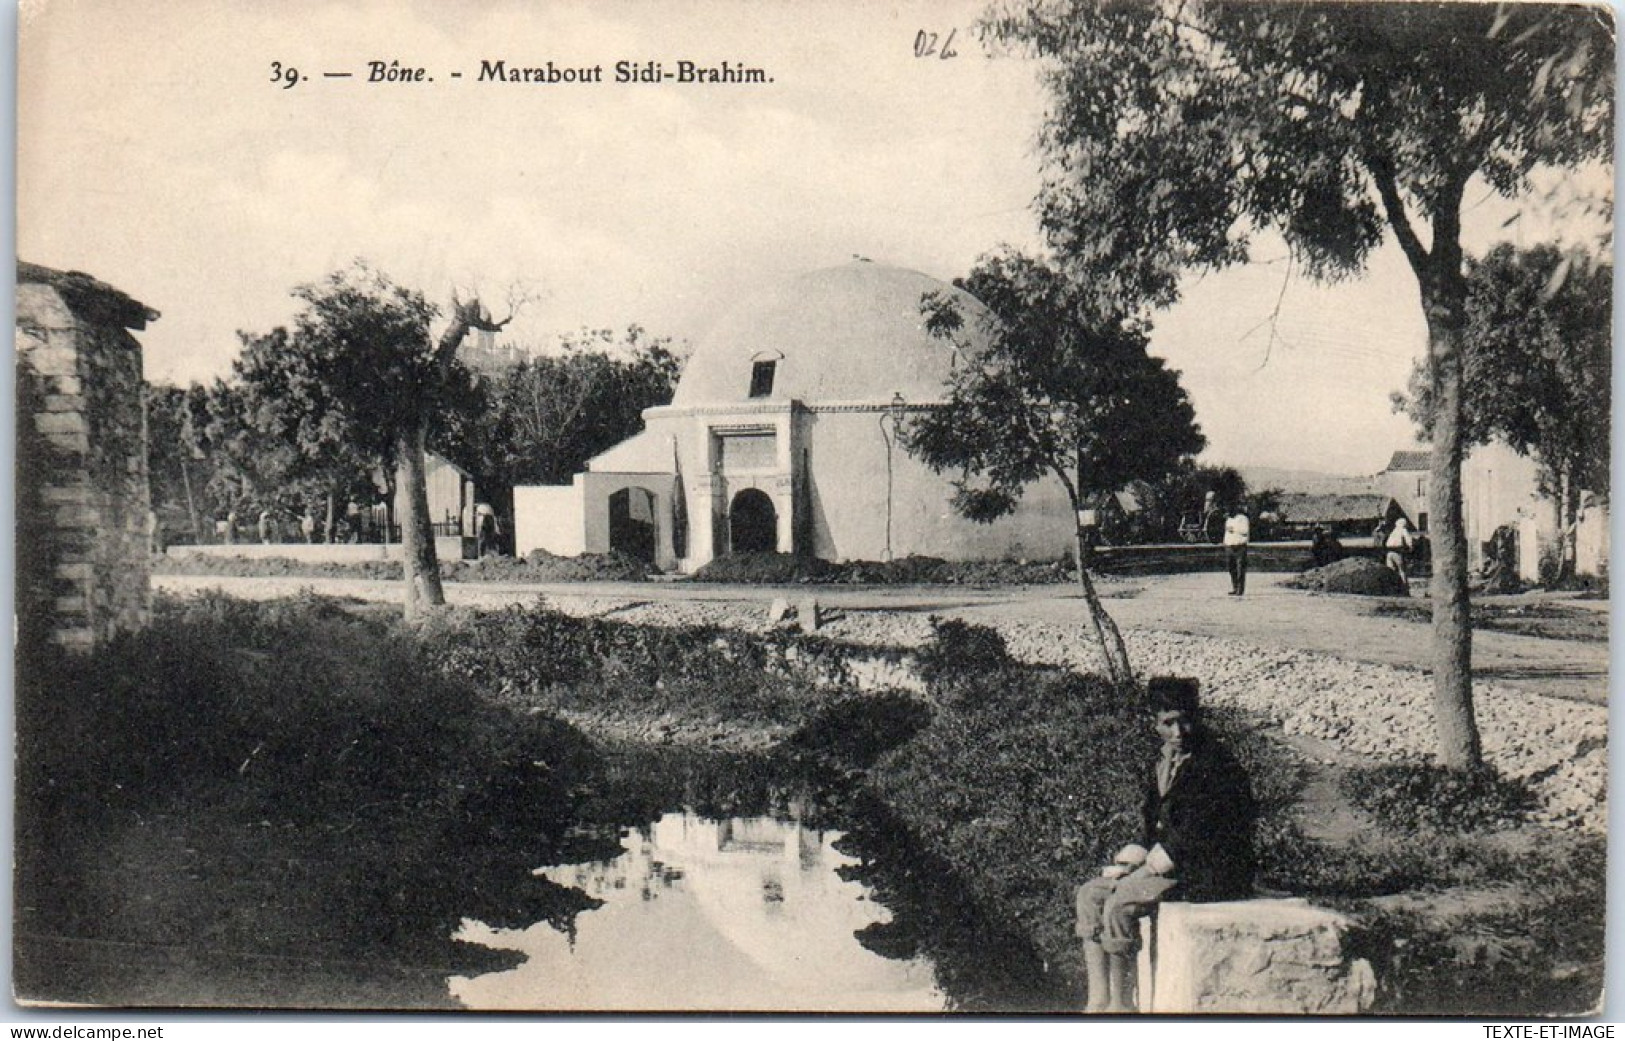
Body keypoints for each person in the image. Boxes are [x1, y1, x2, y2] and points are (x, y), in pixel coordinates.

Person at [1075, 677, 1256, 1013]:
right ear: (1154, 723)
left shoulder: (1215, 766)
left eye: (1185, 720)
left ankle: (1120, 1008)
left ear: (1197, 717)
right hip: (1171, 862)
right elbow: (1152, 825)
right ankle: (1096, 1002)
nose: (1179, 731)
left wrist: (1142, 872)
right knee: (1090, 895)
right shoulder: (1164, 762)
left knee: (1120, 903)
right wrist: (1132, 862)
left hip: (1206, 871)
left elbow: (1199, 834)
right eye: (1168, 723)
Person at [1223, 504, 1250, 595]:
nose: (1227, 514)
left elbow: (1245, 531)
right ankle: (1235, 587)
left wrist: (1234, 529)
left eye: (1228, 512)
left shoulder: (1243, 518)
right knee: (1231, 568)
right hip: (1230, 546)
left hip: (1240, 546)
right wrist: (1226, 543)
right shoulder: (1229, 520)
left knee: (1240, 568)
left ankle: (1240, 589)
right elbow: (1227, 533)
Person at [1385, 516, 1415, 595]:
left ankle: (1391, 588)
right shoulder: (1403, 530)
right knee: (1402, 570)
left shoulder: (1394, 531)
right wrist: (1410, 548)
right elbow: (1409, 540)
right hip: (1398, 552)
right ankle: (1404, 588)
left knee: (1391, 570)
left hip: (1389, 552)